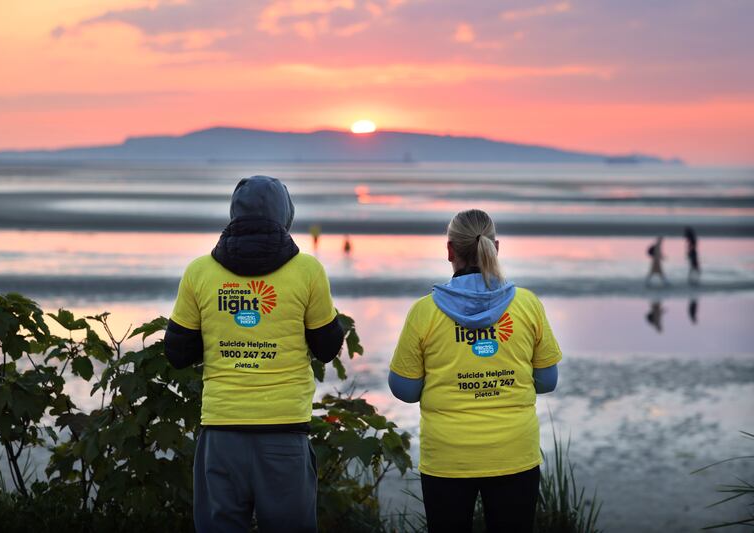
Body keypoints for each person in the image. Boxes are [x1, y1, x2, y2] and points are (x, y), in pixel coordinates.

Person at [164, 175, 345, 533]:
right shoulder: (308, 271)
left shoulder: (200, 271)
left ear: (233, 214)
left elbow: (177, 352)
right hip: (284, 433)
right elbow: (327, 348)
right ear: (286, 215)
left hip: (221, 432)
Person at [388, 209, 561, 533]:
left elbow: (405, 391)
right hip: (514, 452)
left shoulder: (424, 311)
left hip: (447, 457)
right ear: (495, 247)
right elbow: (547, 381)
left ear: (450, 250)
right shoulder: (527, 304)